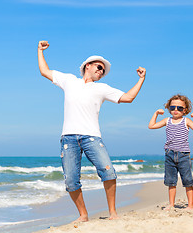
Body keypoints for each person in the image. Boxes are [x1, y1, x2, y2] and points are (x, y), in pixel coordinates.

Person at [37, 40, 146, 221]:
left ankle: (113, 213)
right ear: (87, 66)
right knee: (71, 181)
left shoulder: (102, 88)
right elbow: (44, 71)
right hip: (68, 139)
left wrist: (141, 79)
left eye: (103, 70)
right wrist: (40, 50)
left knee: (108, 171)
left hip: (92, 137)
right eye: (99, 67)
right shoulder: (69, 81)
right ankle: (83, 215)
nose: (101, 71)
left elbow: (128, 98)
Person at [148, 94, 193, 210]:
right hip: (169, 154)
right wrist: (156, 114)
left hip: (184, 155)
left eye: (179, 108)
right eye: (172, 108)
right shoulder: (167, 121)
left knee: (188, 181)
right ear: (169, 109)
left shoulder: (186, 121)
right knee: (171, 181)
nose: (175, 110)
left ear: (185, 110)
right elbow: (151, 126)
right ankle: (171, 204)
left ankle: (191, 205)